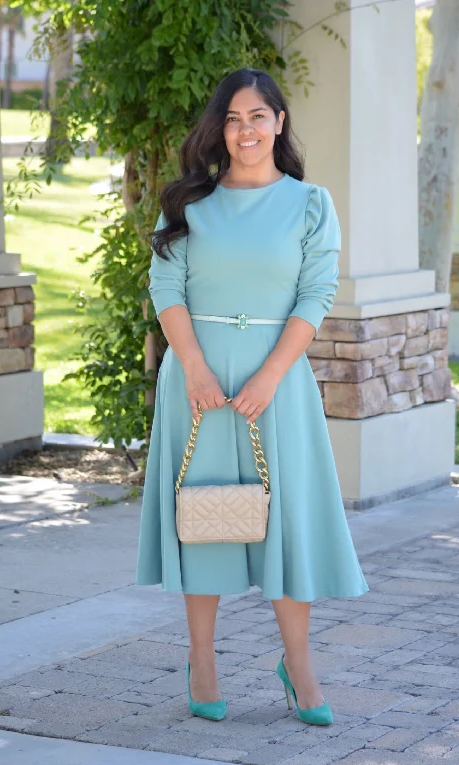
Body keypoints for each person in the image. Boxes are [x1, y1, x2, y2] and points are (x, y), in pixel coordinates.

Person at [135, 67, 369, 725]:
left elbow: (315, 295)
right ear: (220, 127)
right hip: (198, 383)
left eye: (257, 117)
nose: (245, 130)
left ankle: (297, 665)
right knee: (207, 517)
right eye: (233, 119)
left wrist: (268, 375)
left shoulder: (310, 203)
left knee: (285, 522)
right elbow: (166, 289)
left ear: (279, 123)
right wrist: (195, 369)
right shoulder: (188, 204)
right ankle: (202, 661)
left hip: (279, 383)